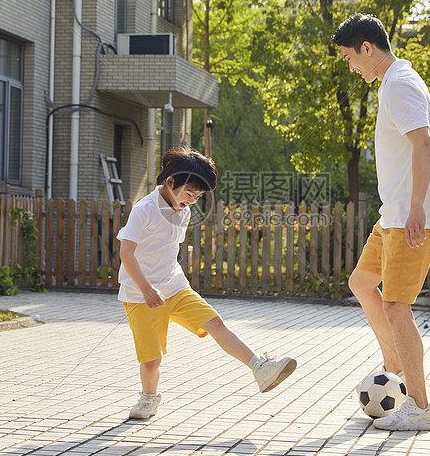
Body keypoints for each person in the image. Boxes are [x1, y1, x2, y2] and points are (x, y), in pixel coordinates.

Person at [331, 14, 430, 431]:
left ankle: (419, 408)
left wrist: (417, 207)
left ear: (368, 48)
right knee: (362, 283)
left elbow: (424, 145)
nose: (350, 66)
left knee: (397, 306)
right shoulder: (396, 81)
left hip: (409, 216)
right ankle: (393, 364)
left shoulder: (399, 84)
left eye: (350, 57)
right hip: (395, 214)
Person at [117, 147, 297, 419]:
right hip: (140, 294)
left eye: (198, 196)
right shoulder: (144, 210)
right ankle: (148, 399)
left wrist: (164, 283)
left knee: (216, 323)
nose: (192, 200)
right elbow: (126, 253)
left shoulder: (184, 212)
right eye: (190, 193)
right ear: (170, 182)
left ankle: (260, 368)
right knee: (152, 360)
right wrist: (146, 288)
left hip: (175, 286)